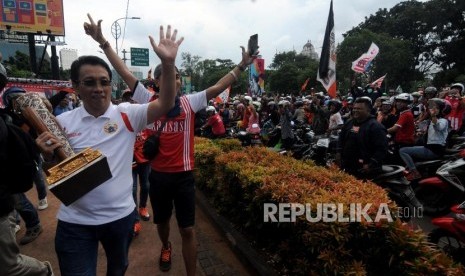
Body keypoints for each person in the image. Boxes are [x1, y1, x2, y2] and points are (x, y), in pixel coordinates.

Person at [35, 14, 183, 276]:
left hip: (120, 219)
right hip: (75, 222)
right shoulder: (61, 122)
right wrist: (47, 158)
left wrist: (168, 64)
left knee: (118, 269)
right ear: (75, 87)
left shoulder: (127, 114)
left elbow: (166, 103)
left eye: (104, 82)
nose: (99, 88)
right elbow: (57, 171)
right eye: (89, 82)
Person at [130, 46, 256, 275]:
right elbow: (128, 77)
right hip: (157, 176)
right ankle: (166, 246)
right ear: (157, 82)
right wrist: (104, 44)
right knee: (162, 223)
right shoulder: (147, 100)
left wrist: (242, 65)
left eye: (177, 76)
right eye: (169, 76)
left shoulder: (190, 102)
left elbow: (218, 86)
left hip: (184, 177)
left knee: (188, 229)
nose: (175, 80)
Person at [0, 61, 54, 276]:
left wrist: (34, 149)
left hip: (4, 197)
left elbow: (23, 179)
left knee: (8, 265)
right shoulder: (9, 117)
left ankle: (43, 271)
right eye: (14, 100)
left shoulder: (8, 123)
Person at [338, 97, 388, 179]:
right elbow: (341, 138)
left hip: (366, 170)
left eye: (359, 109)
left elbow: (382, 148)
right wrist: (338, 153)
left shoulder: (376, 127)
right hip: (348, 166)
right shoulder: (349, 123)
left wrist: (371, 164)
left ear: (368, 110)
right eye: (354, 108)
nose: (355, 110)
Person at [399, 98, 449, 181]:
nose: (433, 110)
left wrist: (433, 116)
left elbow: (438, 127)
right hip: (429, 147)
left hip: (434, 150)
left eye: (436, 108)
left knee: (403, 151)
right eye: (432, 108)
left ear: (440, 110)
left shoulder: (443, 121)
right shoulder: (431, 120)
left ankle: (414, 172)